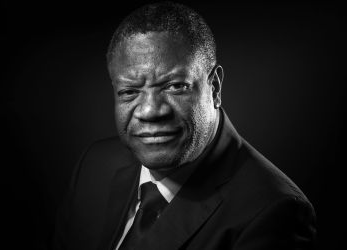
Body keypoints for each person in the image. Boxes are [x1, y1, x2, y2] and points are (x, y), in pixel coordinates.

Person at [53, 2, 317, 250]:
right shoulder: (94, 166)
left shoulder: (274, 212)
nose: (150, 111)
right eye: (130, 91)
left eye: (175, 86)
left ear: (214, 88)